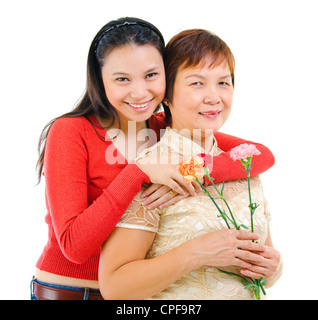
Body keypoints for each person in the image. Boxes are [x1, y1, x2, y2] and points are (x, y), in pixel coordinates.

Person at [31, 18, 275, 300]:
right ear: (99, 79)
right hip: (71, 290)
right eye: (122, 79)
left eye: (151, 76)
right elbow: (74, 247)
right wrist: (139, 172)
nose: (139, 93)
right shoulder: (72, 131)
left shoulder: (162, 125)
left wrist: (192, 171)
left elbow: (260, 155)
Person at [98, 29, 282, 300]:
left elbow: (265, 266)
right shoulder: (153, 168)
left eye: (223, 82)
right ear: (167, 95)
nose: (214, 97)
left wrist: (273, 268)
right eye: (197, 83)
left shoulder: (242, 166)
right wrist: (197, 252)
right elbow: (115, 288)